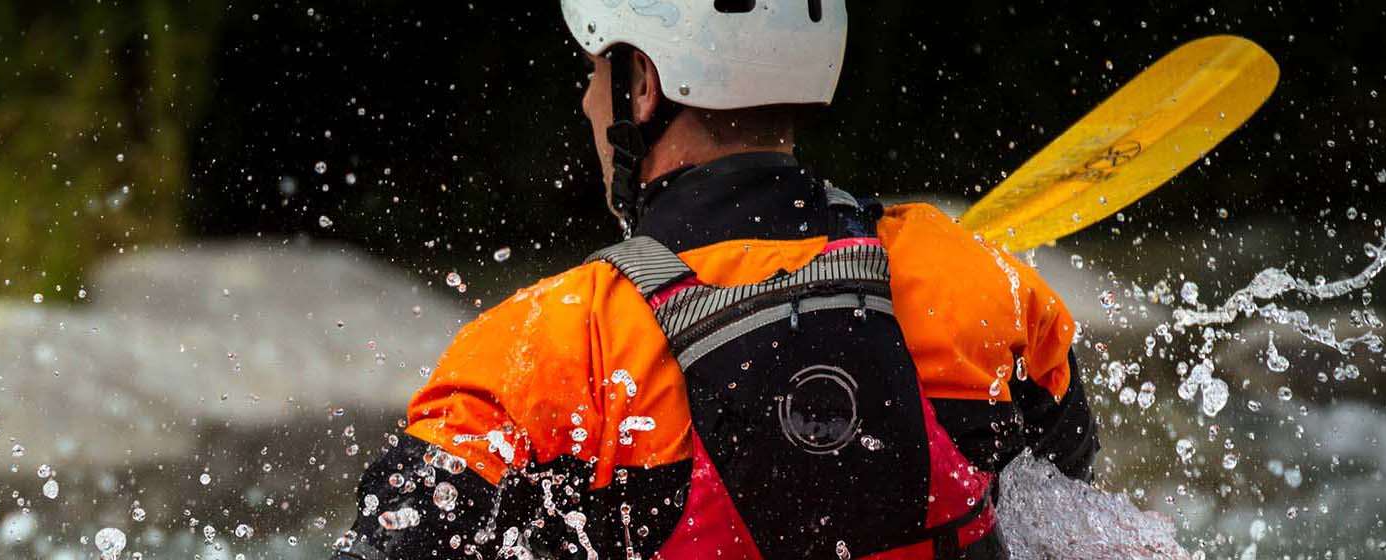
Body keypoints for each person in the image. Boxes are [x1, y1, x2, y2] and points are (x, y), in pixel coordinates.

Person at [333, 2, 1098, 558]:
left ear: (644, 86)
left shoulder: (553, 343)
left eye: (598, 70)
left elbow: (391, 541)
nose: (587, 98)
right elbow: (1068, 504)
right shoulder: (971, 283)